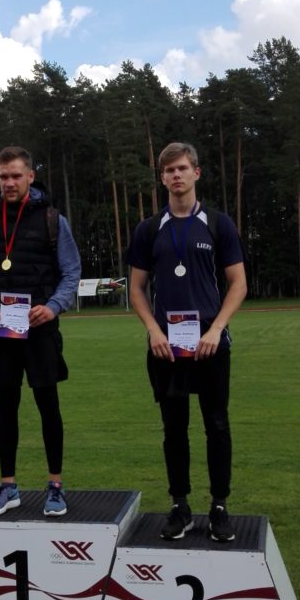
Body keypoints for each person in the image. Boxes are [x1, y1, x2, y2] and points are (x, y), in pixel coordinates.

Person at [127, 142, 247, 542]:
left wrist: (216, 329)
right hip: (166, 348)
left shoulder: (218, 224)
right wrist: (153, 330)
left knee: (217, 425)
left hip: (211, 345)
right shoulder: (149, 229)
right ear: (162, 178)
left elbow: (238, 284)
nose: (176, 175)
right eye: (169, 170)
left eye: (182, 168)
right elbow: (137, 288)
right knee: (174, 429)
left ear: (196, 172)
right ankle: (180, 505)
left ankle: (219, 506)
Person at [0, 146, 81, 517]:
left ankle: (55, 486)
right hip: (1, 333)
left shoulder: (52, 220)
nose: (9, 183)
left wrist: (53, 307)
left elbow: (71, 271)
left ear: (31, 176)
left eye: (16, 175)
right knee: (5, 408)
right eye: (4, 177)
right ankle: (8, 486)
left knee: (49, 407)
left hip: (40, 330)